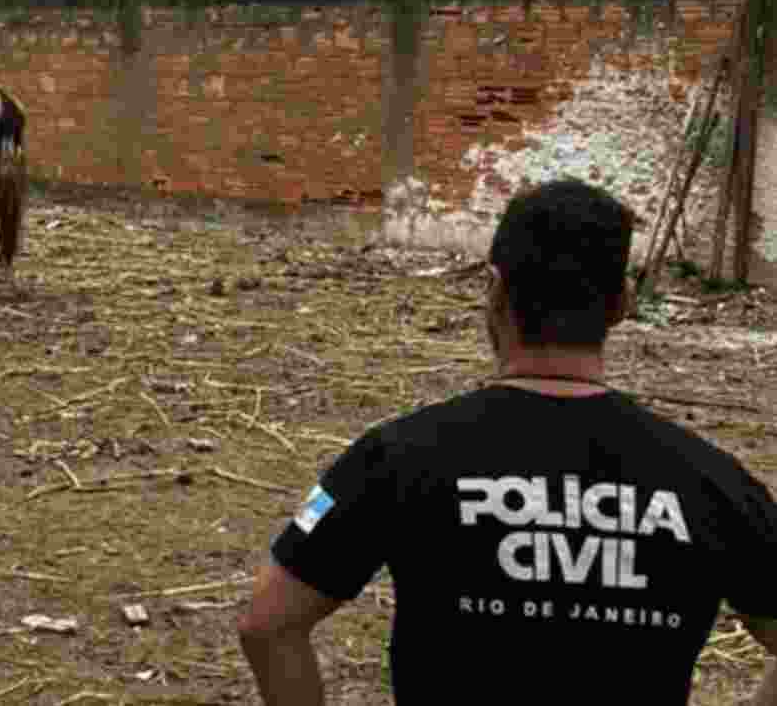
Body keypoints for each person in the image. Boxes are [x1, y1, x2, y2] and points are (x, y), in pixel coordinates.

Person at [239, 177, 777, 705]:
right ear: (621, 304)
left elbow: (266, 622)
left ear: (494, 289)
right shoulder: (715, 482)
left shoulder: (396, 457)